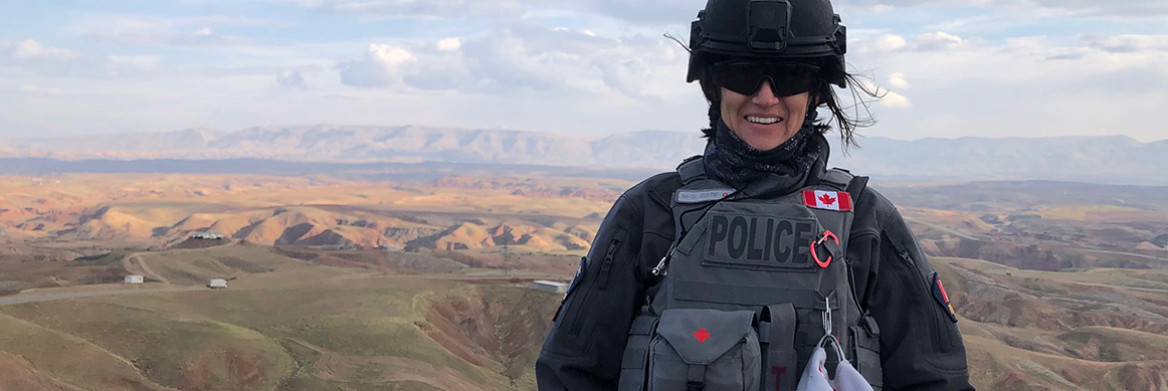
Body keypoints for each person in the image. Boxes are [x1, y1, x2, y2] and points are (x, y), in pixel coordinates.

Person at [536, 0, 975, 390]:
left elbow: (937, 377)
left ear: (816, 89)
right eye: (742, 73)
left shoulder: (864, 219)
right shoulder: (651, 213)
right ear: (714, 83)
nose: (765, 97)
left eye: (789, 76)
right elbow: (569, 371)